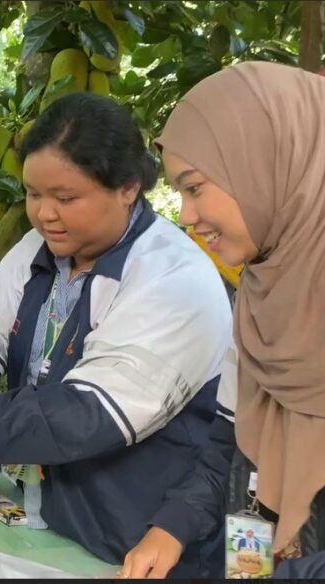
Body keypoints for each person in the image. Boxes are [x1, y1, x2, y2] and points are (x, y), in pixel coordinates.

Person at [0, 92, 234, 576]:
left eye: (66, 198)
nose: (45, 215)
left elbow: (89, 414)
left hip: (140, 543)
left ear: (127, 188)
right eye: (34, 195)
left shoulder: (173, 279)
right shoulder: (40, 250)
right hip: (52, 522)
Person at [121, 61, 325, 579]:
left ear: (269, 166)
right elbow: (228, 448)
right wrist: (169, 530)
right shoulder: (259, 301)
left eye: (194, 188)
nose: (186, 216)